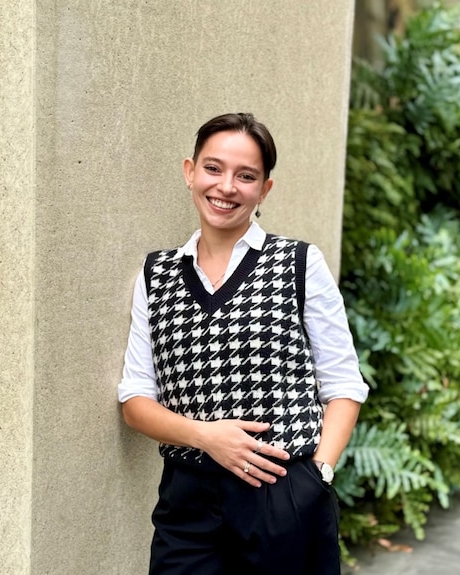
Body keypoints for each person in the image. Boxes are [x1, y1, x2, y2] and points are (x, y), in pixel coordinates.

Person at [118, 112, 368, 575]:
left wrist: (318, 477)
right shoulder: (156, 275)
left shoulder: (298, 264)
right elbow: (135, 400)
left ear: (264, 189)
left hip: (283, 497)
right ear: (190, 172)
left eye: (245, 175)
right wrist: (205, 437)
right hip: (187, 501)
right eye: (213, 169)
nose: (226, 187)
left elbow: (345, 385)